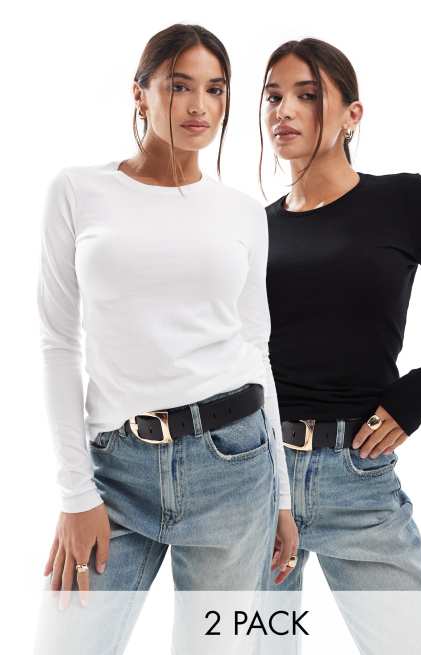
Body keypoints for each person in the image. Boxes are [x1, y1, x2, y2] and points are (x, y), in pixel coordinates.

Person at [34, 23, 297, 655]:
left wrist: (283, 499)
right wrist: (75, 493)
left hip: (234, 467)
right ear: (141, 93)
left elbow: (255, 349)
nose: (199, 106)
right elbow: (58, 343)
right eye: (180, 86)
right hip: (116, 471)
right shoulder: (77, 191)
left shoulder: (242, 213)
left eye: (215, 89)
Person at [257, 37, 421, 654]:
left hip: (357, 478)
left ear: (353, 115)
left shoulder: (403, 200)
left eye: (307, 96)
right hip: (257, 480)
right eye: (273, 96)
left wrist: (415, 395)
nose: (283, 111)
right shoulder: (254, 226)